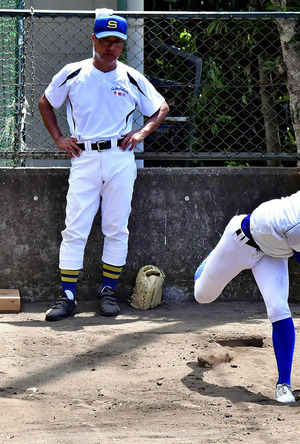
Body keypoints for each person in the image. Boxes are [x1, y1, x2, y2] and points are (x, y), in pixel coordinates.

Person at [38, 13, 169, 321]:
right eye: (106, 40)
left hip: (119, 157)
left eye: (118, 42)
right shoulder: (74, 73)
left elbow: (160, 107)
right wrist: (58, 137)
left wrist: (140, 133)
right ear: (93, 39)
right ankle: (67, 296)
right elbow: (46, 102)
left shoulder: (130, 76)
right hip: (83, 156)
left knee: (116, 227)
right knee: (75, 228)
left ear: (123, 44)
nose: (111, 47)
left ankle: (108, 291)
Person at [194, 152, 300, 403]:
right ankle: (211, 260)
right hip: (240, 241)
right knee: (203, 296)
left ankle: (283, 384)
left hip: (272, 254)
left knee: (279, 310)